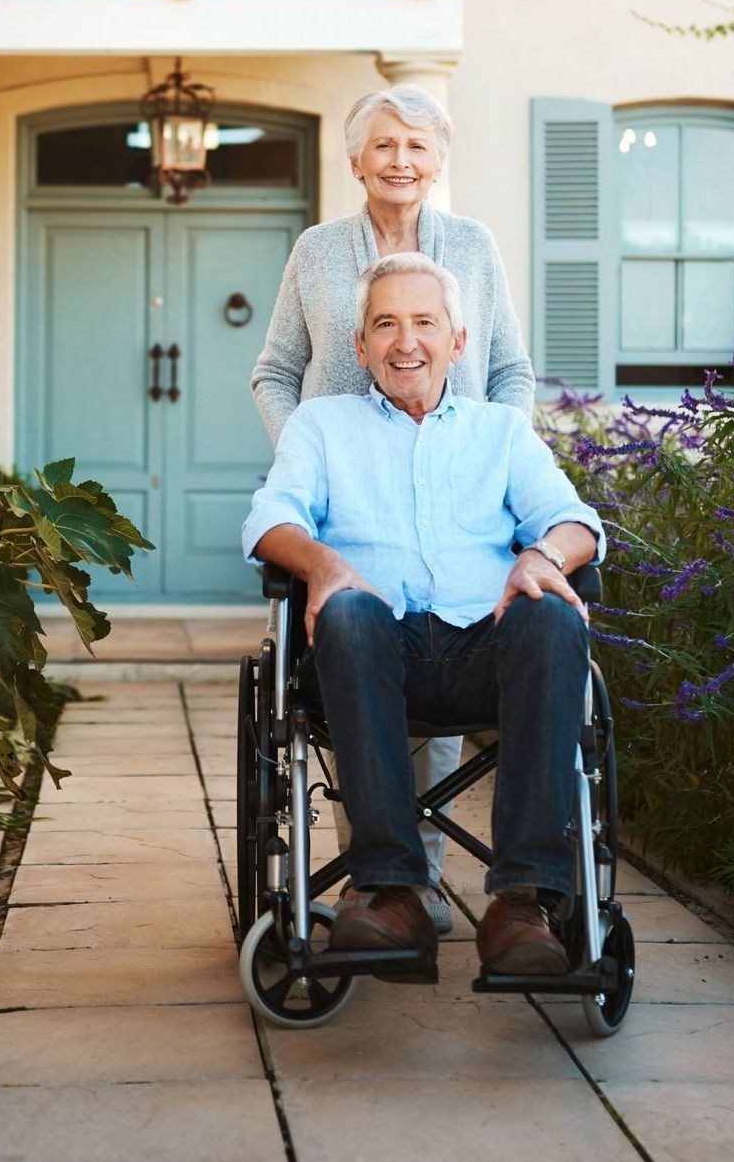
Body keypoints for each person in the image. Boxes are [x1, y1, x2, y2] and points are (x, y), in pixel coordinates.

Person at [242, 253, 603, 974]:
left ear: (457, 342)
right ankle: (390, 889)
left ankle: (521, 901)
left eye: (423, 323)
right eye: (385, 324)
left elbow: (574, 522)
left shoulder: (499, 431)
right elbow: (267, 522)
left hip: (485, 653)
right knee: (344, 612)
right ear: (360, 347)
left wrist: (543, 557)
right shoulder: (320, 425)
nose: (405, 342)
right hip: (367, 653)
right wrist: (323, 565)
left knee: (554, 616)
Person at [250, 84, 535, 932]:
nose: (399, 161)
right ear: (355, 160)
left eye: (416, 146)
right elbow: (274, 369)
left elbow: (512, 369)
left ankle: (429, 877)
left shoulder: (474, 248)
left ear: (438, 159)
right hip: (347, 498)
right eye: (383, 146)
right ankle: (375, 882)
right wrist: (307, 446)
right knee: (352, 656)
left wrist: (489, 452)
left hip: (457, 494)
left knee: (444, 639)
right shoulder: (317, 249)